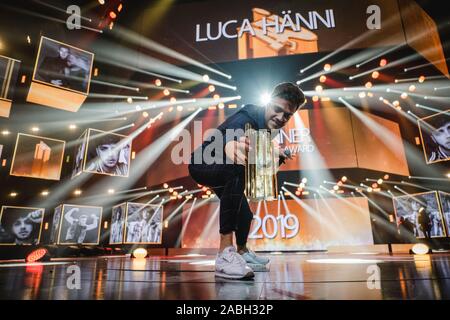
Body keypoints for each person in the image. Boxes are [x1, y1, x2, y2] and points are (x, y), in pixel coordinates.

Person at [188, 82, 306, 279]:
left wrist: (277, 153)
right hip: (201, 164)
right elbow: (231, 134)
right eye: (277, 110)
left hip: (223, 168)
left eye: (287, 115)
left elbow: (261, 156)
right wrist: (230, 145)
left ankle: (242, 252)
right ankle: (225, 254)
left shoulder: (268, 128)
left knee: (244, 213)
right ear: (268, 102)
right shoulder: (249, 115)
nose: (281, 118)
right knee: (237, 167)